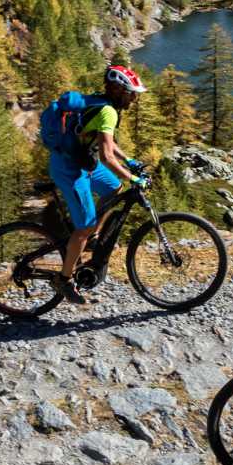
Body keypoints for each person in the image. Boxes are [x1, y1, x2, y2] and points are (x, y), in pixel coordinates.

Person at [49, 63, 148, 302]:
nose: (134, 99)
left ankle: (91, 235)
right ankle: (63, 280)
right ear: (119, 91)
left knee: (113, 187)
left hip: (83, 162)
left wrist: (130, 160)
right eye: (131, 93)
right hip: (69, 169)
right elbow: (106, 156)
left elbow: (106, 141)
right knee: (83, 227)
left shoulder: (103, 103)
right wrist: (133, 177)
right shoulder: (109, 111)